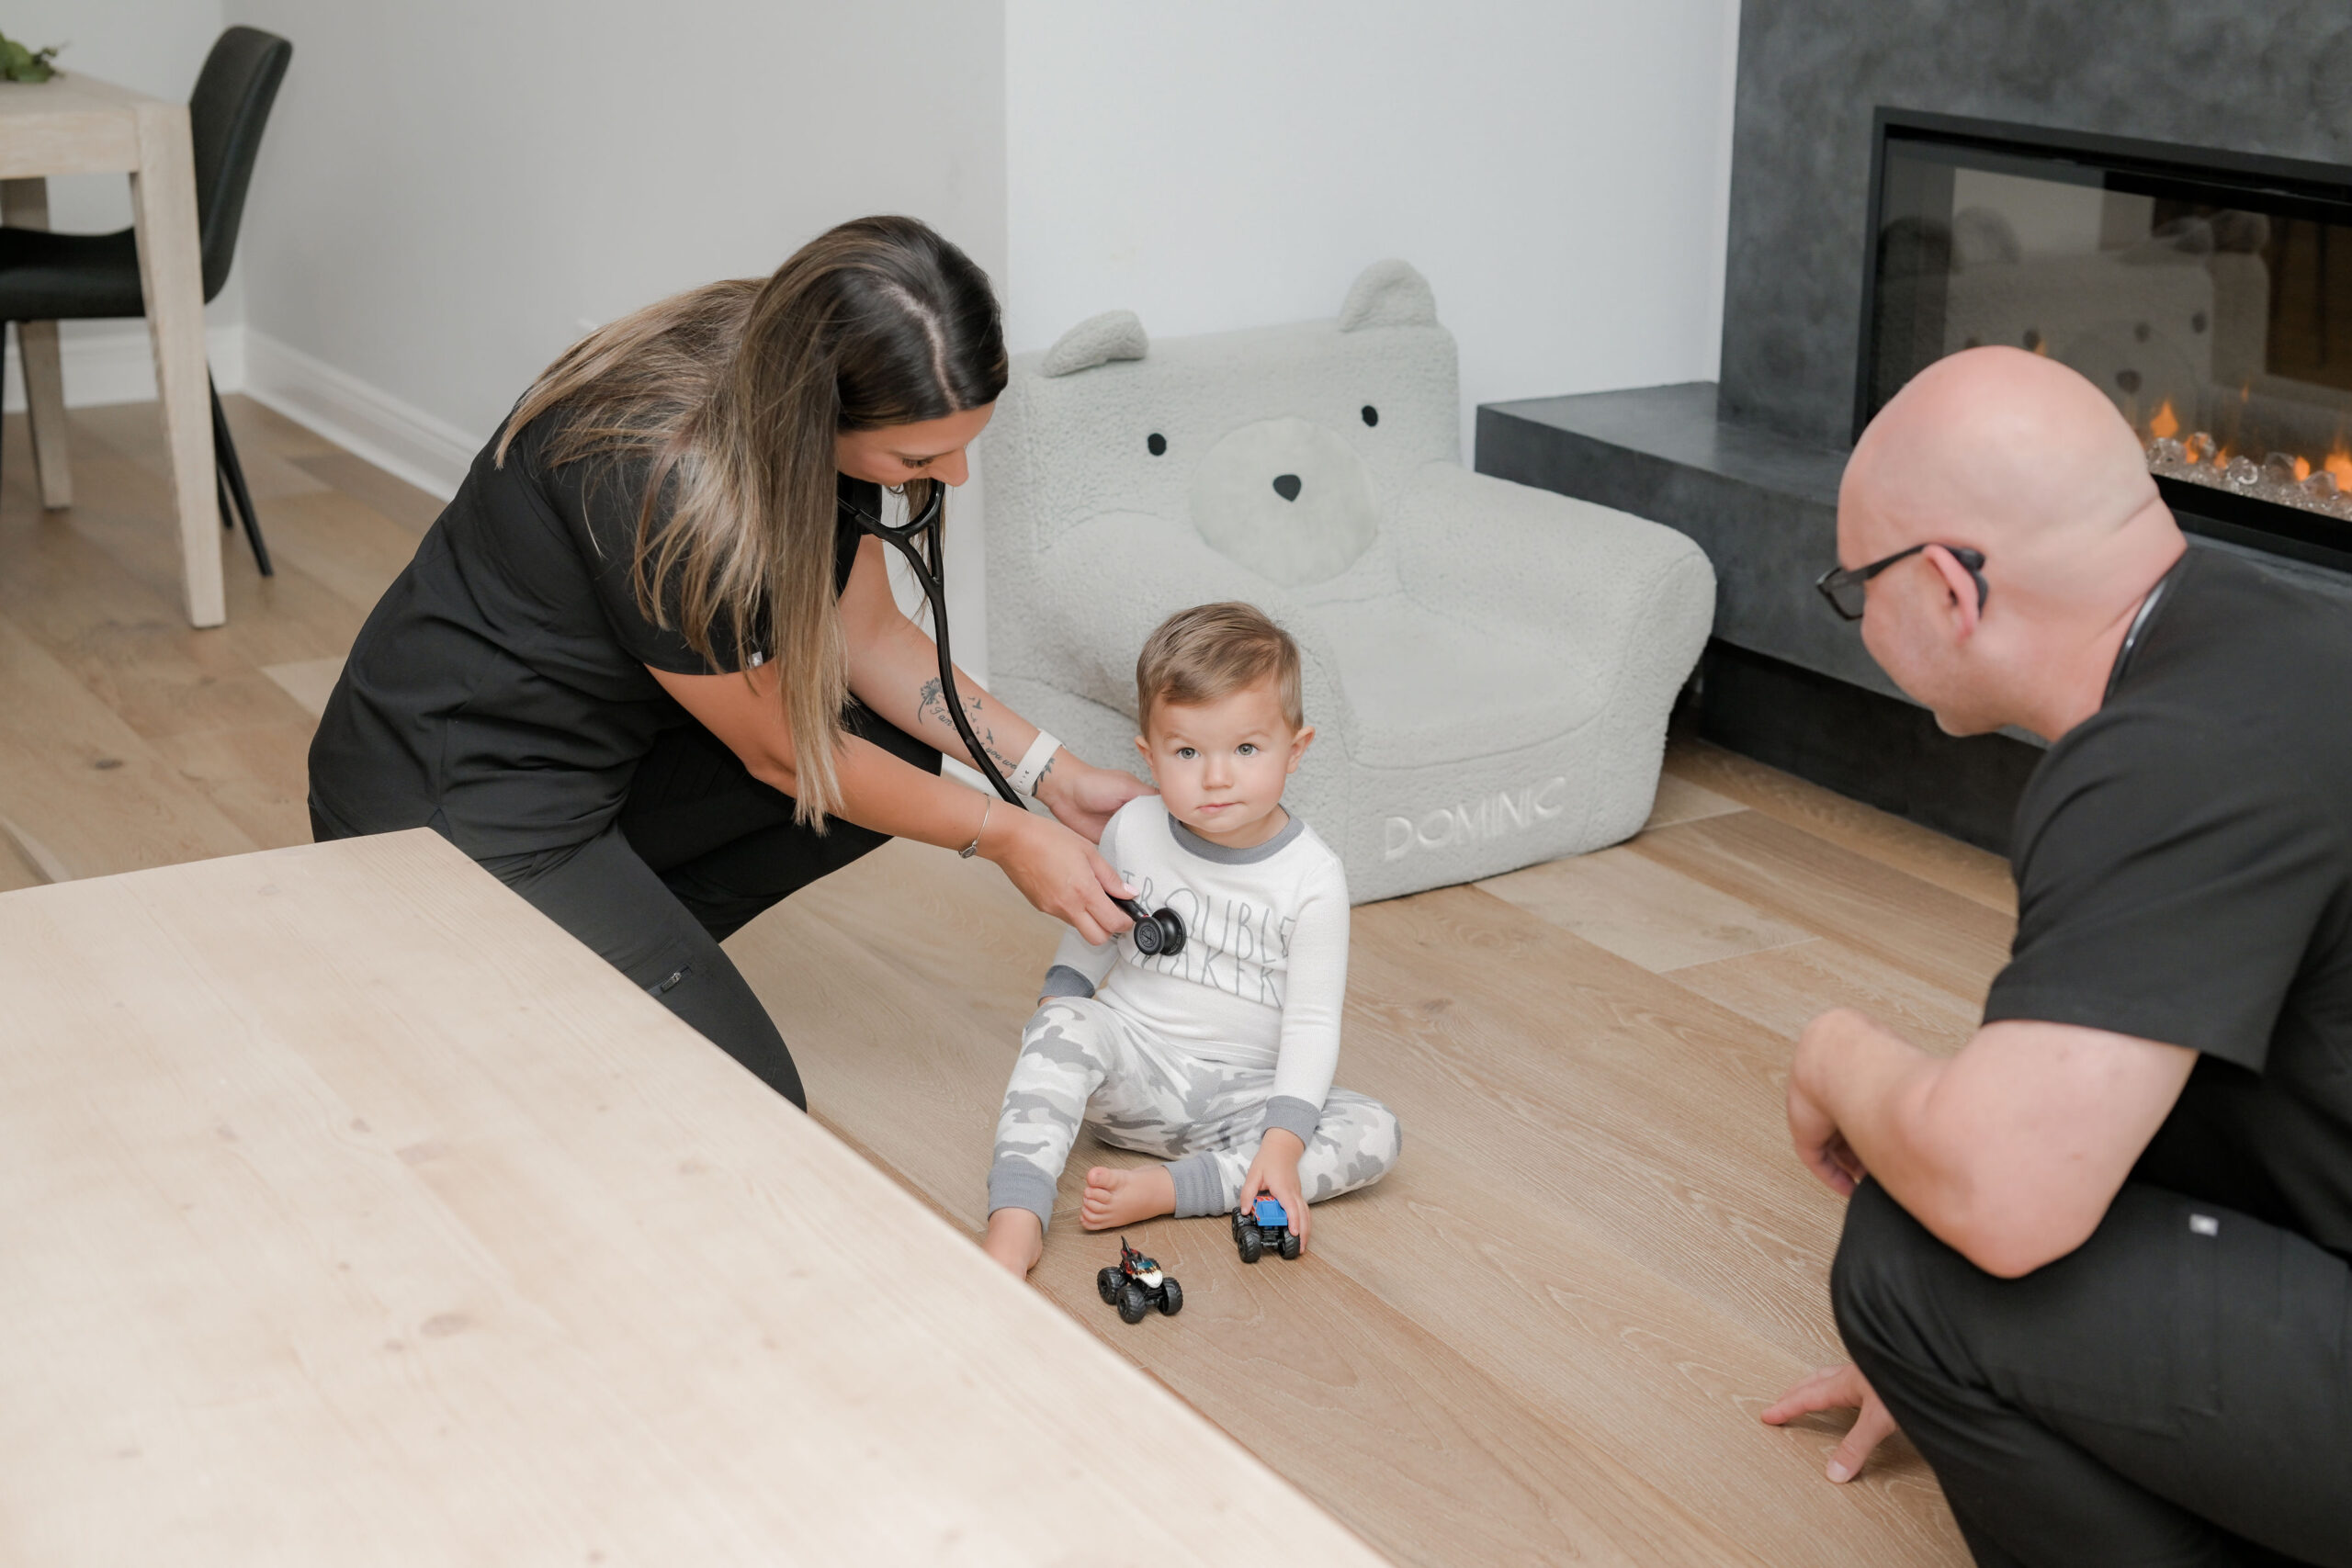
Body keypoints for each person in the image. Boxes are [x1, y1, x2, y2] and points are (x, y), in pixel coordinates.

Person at [307, 216, 1149, 1111]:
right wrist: (1009, 836)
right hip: (448, 802)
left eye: (961, 445)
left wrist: (1047, 778)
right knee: (756, 1106)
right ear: (822, 408)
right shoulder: (666, 475)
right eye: (920, 457)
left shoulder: (793, 372)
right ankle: (521, 971)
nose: (954, 478)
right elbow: (785, 755)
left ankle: (599, 957)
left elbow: (866, 637)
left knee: (897, 754)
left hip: (599, 763)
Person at [1758, 346, 2352, 1567]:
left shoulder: (2163, 758)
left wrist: (1835, 1054)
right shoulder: (2269, 641)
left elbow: (2006, 1194)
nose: (1856, 610)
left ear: (1945, 587)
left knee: (1912, 1259)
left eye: (1851, 584)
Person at [979, 604, 1402, 1277]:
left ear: (1296, 750)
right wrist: (1058, 1011)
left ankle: (1180, 1188)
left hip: (1245, 1104)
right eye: (1186, 752)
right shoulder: (1133, 827)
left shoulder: (1313, 878)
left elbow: (1313, 1021)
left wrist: (1285, 1143)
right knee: (1062, 1024)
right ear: (1148, 754)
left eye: (1245, 749)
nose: (1215, 776)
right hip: (1133, 1078)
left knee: (1374, 1131)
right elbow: (1093, 930)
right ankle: (1016, 1218)